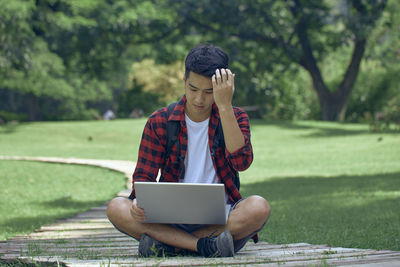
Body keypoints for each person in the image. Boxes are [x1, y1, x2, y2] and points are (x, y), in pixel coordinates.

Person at [107, 44, 271, 258]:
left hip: (219, 221)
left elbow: (242, 162)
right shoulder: (160, 121)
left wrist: (224, 106)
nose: (199, 99)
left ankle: (168, 246)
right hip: (168, 220)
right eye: (193, 89)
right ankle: (204, 247)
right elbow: (143, 178)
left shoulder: (235, 117)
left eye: (209, 92)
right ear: (184, 82)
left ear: (223, 87)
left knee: (259, 207)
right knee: (117, 207)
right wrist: (139, 202)